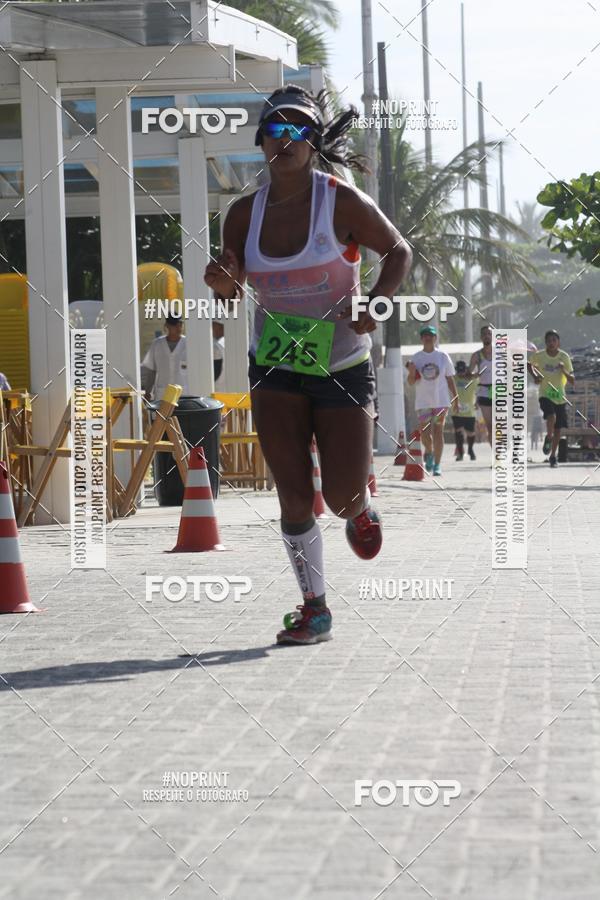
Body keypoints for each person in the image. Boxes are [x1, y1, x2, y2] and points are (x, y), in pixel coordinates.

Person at [204, 84, 412, 645]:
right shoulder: (242, 215)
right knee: (294, 495)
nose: (286, 139)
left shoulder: (341, 202)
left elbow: (398, 251)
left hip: (341, 363)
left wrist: (377, 302)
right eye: (276, 129)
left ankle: (360, 503)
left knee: (340, 498)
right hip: (275, 366)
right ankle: (314, 608)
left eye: (299, 130)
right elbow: (230, 293)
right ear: (261, 141)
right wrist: (222, 284)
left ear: (314, 141)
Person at [407, 325, 458, 476]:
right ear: (421, 339)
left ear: (435, 338)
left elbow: (450, 378)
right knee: (424, 433)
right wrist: (411, 373)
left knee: (438, 431)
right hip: (423, 402)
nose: (428, 338)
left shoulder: (443, 356)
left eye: (431, 335)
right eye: (425, 336)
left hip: (441, 401)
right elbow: (411, 382)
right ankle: (429, 451)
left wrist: (456, 399)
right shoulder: (416, 357)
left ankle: (437, 464)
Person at [528, 329, 575, 468]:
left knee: (558, 429)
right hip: (545, 394)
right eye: (549, 341)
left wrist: (563, 369)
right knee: (551, 416)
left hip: (560, 396)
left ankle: (553, 456)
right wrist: (535, 376)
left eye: (554, 340)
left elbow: (572, 380)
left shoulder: (564, 357)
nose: (551, 343)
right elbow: (528, 364)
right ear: (545, 343)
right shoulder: (540, 355)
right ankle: (548, 437)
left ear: (558, 342)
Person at [141, 312, 188, 401]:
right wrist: (147, 392)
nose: (178, 328)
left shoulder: (188, 344)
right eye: (174, 325)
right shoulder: (157, 344)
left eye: (180, 324)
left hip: (184, 394)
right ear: (167, 326)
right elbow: (151, 371)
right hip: (163, 393)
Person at [469, 324, 493, 445]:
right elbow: (469, 374)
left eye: (489, 334)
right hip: (484, 391)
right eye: (484, 334)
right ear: (481, 337)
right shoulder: (476, 355)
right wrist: (474, 374)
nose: (487, 336)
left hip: (499, 390)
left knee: (500, 424)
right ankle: (497, 454)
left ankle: (503, 448)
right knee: (490, 426)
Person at [452, 360, 478, 460]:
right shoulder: (454, 378)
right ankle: (460, 453)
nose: (461, 374)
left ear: (466, 369)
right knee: (458, 432)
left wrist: (478, 402)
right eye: (459, 371)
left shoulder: (472, 379)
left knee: (470, 433)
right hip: (456, 409)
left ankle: (470, 450)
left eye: (463, 371)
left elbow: (480, 389)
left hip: (469, 411)